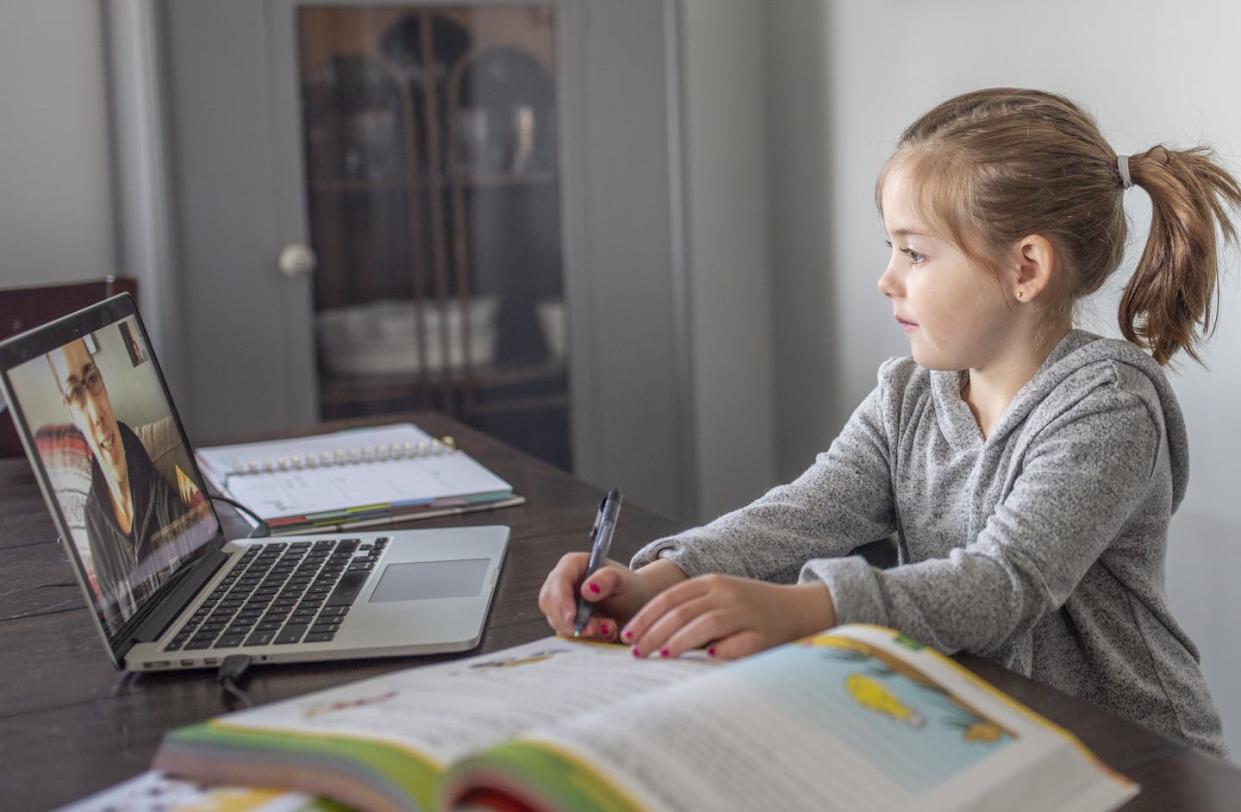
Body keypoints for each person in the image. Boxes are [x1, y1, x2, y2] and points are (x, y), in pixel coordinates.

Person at [538, 88, 1239, 758]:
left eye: (914, 252)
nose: (886, 278)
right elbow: (803, 513)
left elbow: (1004, 585)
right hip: (986, 730)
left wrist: (804, 609)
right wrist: (668, 574)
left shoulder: (1107, 406)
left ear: (1025, 267)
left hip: (1136, 755)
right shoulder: (908, 393)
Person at [48, 337, 191, 622]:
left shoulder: (156, 482)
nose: (96, 413)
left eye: (93, 380)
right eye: (76, 394)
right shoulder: (92, 522)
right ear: (69, 411)